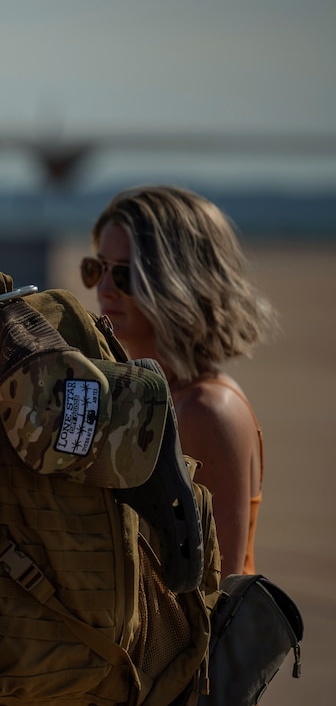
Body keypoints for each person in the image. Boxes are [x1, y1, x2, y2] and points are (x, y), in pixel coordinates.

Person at [83, 184, 279, 576]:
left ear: (177, 281)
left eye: (124, 275)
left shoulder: (207, 410)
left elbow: (214, 593)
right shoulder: (142, 391)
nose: (104, 289)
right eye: (97, 268)